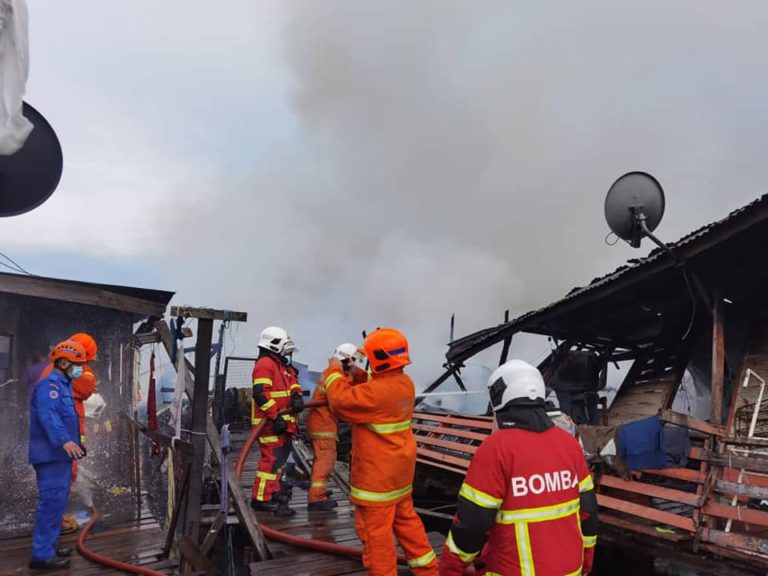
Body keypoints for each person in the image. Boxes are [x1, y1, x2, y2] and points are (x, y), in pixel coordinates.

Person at [439, 359, 598, 576]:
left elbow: (472, 523)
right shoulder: (569, 444)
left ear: (499, 398)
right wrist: (586, 561)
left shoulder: (496, 449)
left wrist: (449, 569)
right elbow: (588, 512)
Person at [324, 328, 438, 576]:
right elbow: (377, 387)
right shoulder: (405, 384)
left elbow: (341, 402)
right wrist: (357, 373)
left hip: (377, 481)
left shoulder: (376, 393)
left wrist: (334, 371)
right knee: (408, 524)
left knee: (377, 537)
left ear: (379, 359)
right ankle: (429, 570)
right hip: (399, 476)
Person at [28, 340, 87, 570]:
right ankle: (42, 556)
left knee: (59, 502)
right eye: (77, 365)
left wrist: (77, 444)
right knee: (51, 502)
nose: (80, 369)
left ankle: (50, 547)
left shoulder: (64, 385)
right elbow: (48, 415)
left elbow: (67, 419)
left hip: (60, 456)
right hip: (49, 455)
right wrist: (64, 440)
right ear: (63, 363)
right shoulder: (49, 385)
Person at [38, 332, 98, 532]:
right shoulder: (62, 373)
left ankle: (54, 519)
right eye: (84, 360)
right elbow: (87, 387)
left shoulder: (55, 370)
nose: (86, 365)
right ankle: (53, 523)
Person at [250, 326, 304, 516]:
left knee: (279, 461)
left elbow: (293, 383)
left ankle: (272, 491)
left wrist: (297, 395)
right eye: (285, 347)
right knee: (271, 461)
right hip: (269, 424)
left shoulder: (281, 365)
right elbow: (260, 394)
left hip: (283, 424)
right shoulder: (265, 364)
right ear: (275, 345)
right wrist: (275, 417)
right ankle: (260, 498)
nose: (287, 352)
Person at [306, 342, 364, 511]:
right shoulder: (334, 375)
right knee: (325, 461)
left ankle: (320, 491)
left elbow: (352, 383)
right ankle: (316, 498)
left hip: (323, 424)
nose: (354, 364)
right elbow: (342, 400)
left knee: (325, 461)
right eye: (352, 360)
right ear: (346, 360)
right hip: (322, 426)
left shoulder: (335, 374)